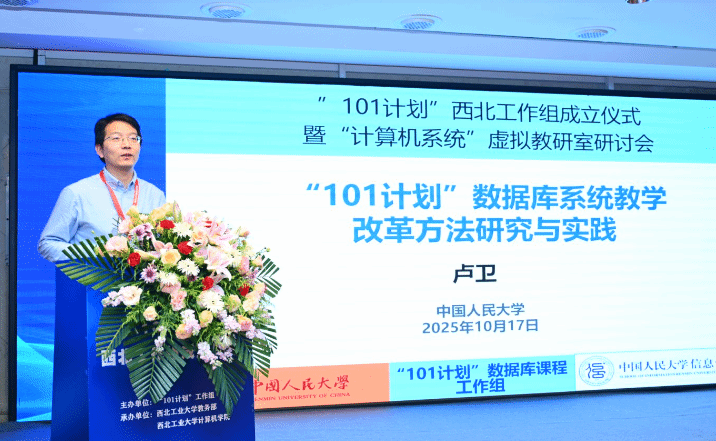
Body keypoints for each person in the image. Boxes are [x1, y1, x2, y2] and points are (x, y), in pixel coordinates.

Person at [38, 113, 166, 262]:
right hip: (94, 275)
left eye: (133, 138)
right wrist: (94, 253)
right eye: (116, 138)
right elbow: (48, 244)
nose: (127, 144)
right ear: (100, 150)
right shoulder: (77, 193)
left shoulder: (155, 195)